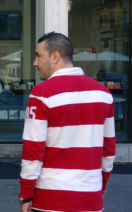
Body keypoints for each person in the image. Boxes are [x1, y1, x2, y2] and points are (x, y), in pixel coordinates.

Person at [18, 32, 116, 212]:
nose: (35, 63)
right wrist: (101, 186)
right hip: (90, 198)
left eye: (38, 55)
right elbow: (108, 151)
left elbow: (33, 152)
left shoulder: (42, 94)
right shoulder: (103, 94)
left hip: (50, 199)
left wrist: (26, 195)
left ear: (55, 57)